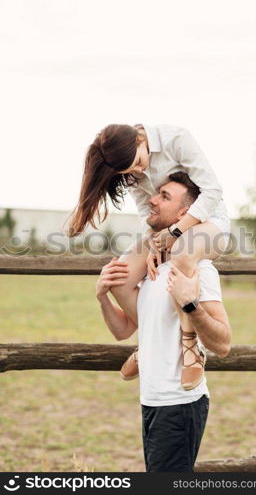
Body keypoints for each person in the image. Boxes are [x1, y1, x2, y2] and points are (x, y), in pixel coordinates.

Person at [68, 123, 231, 388]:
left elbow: (212, 191)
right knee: (120, 277)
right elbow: (146, 211)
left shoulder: (176, 139)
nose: (137, 171)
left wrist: (175, 231)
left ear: (140, 139)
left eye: (139, 163)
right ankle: (150, 343)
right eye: (129, 171)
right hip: (167, 227)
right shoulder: (130, 168)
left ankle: (190, 349)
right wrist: (155, 242)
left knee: (182, 251)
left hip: (210, 221)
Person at [96, 172, 232, 472]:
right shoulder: (150, 271)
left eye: (165, 197)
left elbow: (223, 344)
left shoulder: (200, 270)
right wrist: (102, 296)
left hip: (179, 403)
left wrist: (191, 306)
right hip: (151, 398)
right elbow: (122, 330)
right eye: (156, 193)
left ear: (185, 213)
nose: (153, 200)